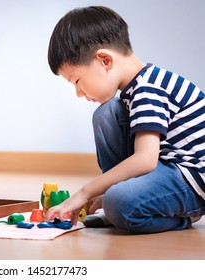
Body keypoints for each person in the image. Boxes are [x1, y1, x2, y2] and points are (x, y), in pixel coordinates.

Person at [45, 6, 205, 233]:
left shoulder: (148, 89)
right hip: (170, 167)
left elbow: (145, 160)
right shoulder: (138, 87)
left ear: (104, 60)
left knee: (118, 203)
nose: (78, 93)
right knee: (107, 114)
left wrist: (86, 192)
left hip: (192, 180)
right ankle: (120, 200)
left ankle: (182, 217)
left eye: (77, 80)